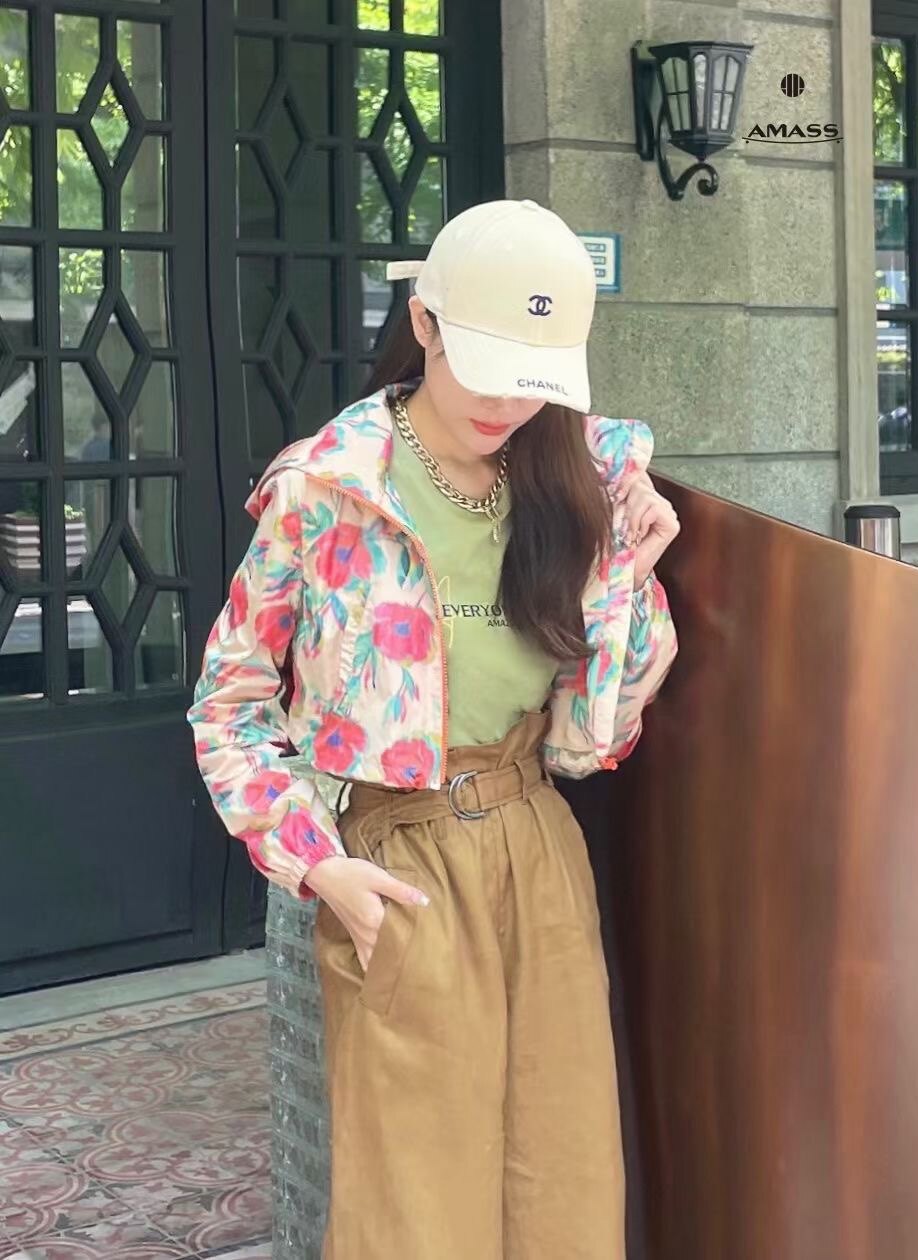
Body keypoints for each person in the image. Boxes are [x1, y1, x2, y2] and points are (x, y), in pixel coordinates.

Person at [188, 198, 680, 1259]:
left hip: (536, 842)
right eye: (487, 367)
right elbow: (228, 703)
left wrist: (627, 568)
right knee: (416, 1208)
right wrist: (319, 866)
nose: (508, 403)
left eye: (534, 377)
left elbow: (594, 738)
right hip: (396, 859)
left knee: (565, 1182)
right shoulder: (329, 489)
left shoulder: (581, 480)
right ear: (424, 323)